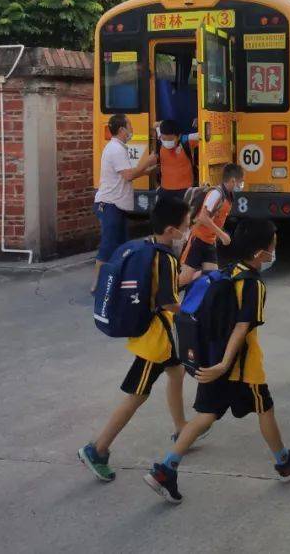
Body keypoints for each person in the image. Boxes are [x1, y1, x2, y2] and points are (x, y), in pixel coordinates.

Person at [145, 219, 290, 503]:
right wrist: (225, 364)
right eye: (273, 243)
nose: (276, 248)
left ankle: (165, 468)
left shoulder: (228, 272)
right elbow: (241, 326)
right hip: (241, 366)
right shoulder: (253, 284)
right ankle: (285, 462)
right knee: (265, 409)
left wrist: (218, 363)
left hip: (212, 358)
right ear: (261, 252)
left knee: (205, 416)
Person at [78, 197, 191, 483]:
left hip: (158, 334)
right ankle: (98, 448)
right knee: (137, 395)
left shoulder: (148, 247)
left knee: (176, 372)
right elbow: (167, 302)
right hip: (155, 339)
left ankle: (181, 428)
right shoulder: (165, 257)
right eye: (186, 226)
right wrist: (193, 310)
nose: (187, 231)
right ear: (171, 230)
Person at [93, 114, 158, 292]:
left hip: (117, 204)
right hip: (109, 204)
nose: (132, 129)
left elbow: (126, 175)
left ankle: (114, 280)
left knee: (120, 246)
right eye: (129, 125)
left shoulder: (119, 147)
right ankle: (98, 285)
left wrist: (145, 172)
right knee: (108, 246)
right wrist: (147, 162)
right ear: (122, 130)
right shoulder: (115, 149)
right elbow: (128, 175)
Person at [179, 163, 244, 280]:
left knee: (212, 277)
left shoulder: (227, 196)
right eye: (240, 182)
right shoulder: (216, 194)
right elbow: (203, 217)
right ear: (233, 180)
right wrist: (222, 235)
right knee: (184, 279)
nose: (241, 185)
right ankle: (163, 294)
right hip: (198, 240)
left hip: (209, 242)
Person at [154, 119, 200, 202]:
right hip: (165, 191)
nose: (167, 142)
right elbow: (155, 125)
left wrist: (200, 122)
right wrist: (159, 123)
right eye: (164, 139)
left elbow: (206, 135)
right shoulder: (161, 138)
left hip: (185, 191)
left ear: (179, 136)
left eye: (170, 139)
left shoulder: (187, 142)